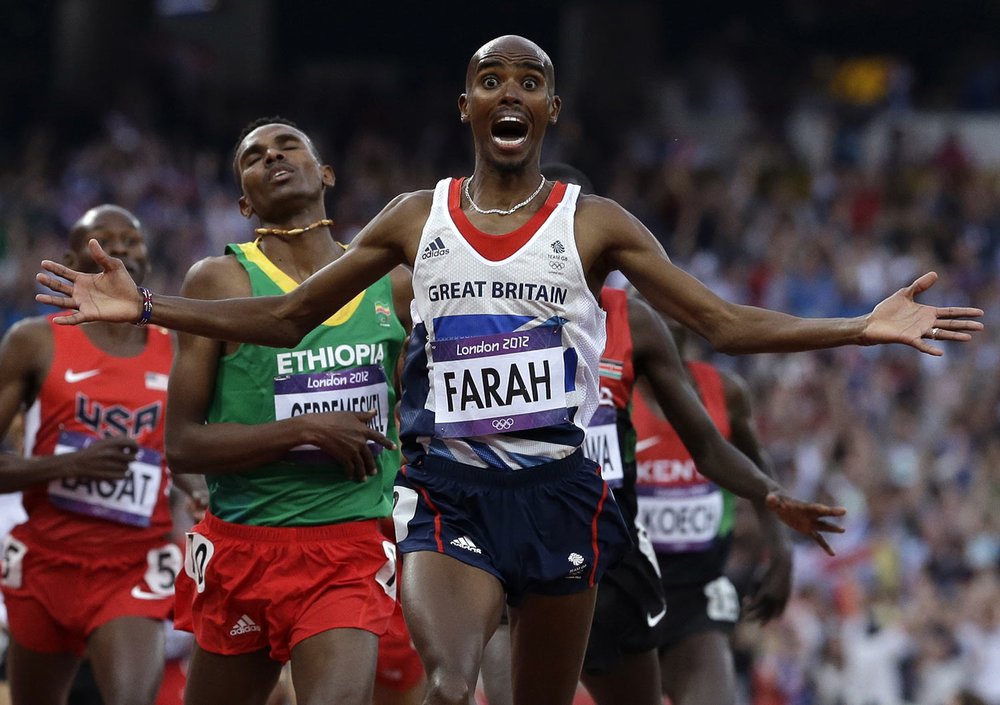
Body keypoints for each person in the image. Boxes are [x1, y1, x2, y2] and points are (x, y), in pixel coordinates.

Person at [35, 36, 982, 705]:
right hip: (449, 491)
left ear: (550, 108)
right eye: (492, 78)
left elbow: (720, 322)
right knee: (450, 683)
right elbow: (286, 316)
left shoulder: (594, 220)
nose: (511, 92)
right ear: (469, 106)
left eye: (530, 79)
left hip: (562, 493)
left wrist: (861, 327)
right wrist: (147, 307)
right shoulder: (416, 217)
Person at [160, 117, 412, 705]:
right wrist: (303, 429)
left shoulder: (392, 284)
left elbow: (419, 420)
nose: (272, 156)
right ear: (244, 203)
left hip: (348, 543)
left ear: (325, 173)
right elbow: (182, 445)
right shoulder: (218, 280)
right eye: (253, 156)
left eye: (288, 145)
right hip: (243, 543)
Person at [0, 205, 201, 705]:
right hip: (45, 562)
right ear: (72, 258)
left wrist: (198, 490)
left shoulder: (179, 349)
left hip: (131, 566)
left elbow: (191, 452)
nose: (121, 248)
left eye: (132, 239)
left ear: (148, 261)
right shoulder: (34, 341)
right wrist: (69, 465)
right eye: (103, 238)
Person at [632, 313, 792, 705]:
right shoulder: (610, 392)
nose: (653, 317)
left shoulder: (725, 393)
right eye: (640, 307)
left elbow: (758, 472)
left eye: (665, 309)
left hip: (695, 593)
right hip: (624, 591)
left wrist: (782, 553)